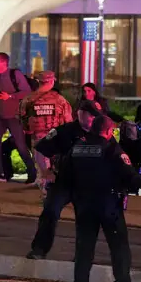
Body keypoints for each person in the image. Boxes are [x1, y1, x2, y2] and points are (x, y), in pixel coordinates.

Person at [67, 115, 141, 282]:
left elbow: (66, 173)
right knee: (119, 246)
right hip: (109, 205)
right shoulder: (112, 149)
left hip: (84, 205)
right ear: (108, 131)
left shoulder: (78, 146)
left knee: (84, 247)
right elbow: (131, 176)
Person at [28, 100, 103, 260]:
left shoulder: (99, 133)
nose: (92, 120)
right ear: (80, 113)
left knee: (86, 220)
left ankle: (83, 256)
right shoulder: (65, 131)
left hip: (86, 184)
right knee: (50, 212)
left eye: (95, 116)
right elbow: (41, 149)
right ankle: (39, 249)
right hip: (63, 181)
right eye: (90, 115)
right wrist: (45, 172)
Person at [0, 52, 36, 182]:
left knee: (20, 145)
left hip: (14, 116)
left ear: (3, 62)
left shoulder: (15, 75)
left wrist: (11, 96)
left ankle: (32, 173)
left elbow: (27, 92)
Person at [20, 70, 73, 184]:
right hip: (55, 136)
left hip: (37, 136)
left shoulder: (28, 99)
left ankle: (43, 181)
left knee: (40, 162)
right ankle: (50, 185)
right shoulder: (60, 100)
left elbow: (22, 118)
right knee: (54, 164)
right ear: (51, 82)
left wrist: (28, 130)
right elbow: (68, 121)